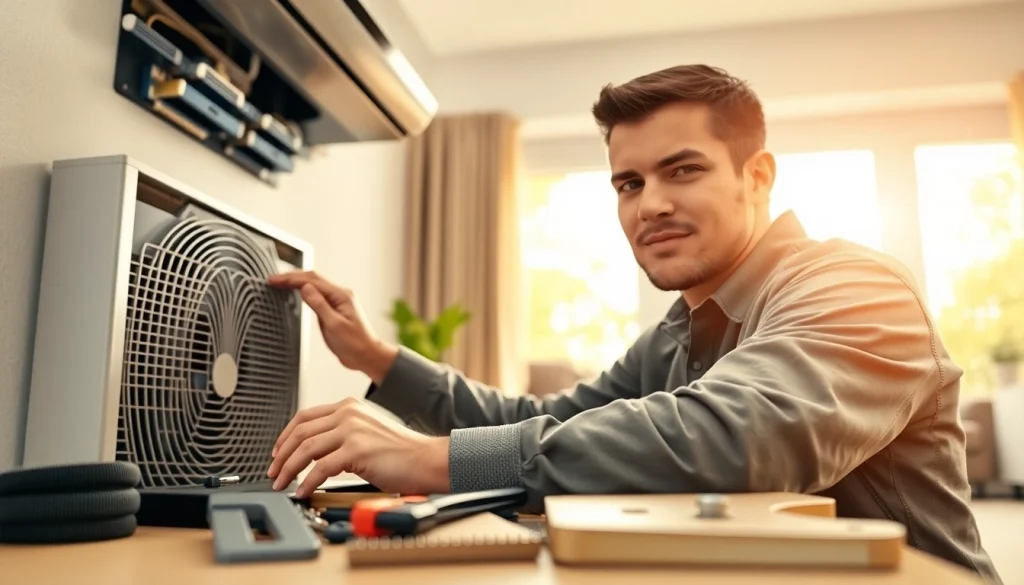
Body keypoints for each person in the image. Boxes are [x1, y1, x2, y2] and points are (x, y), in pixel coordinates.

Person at [265, 64, 1000, 583]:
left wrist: (431, 460)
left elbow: (734, 439)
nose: (649, 205)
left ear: (757, 177)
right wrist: (378, 356)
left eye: (682, 171)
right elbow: (541, 417)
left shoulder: (854, 286)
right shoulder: (677, 333)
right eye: (629, 182)